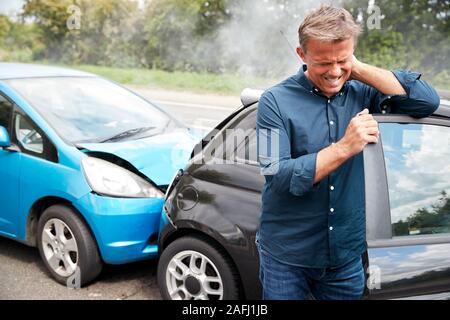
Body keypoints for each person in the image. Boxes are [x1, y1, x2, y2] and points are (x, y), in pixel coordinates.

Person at [256, 5, 440, 300]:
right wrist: (344, 147)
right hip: (286, 256)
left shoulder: (363, 91)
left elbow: (426, 102)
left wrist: (357, 67)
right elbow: (276, 174)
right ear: (302, 55)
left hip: (345, 257)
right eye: (323, 63)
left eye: (342, 60)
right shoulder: (272, 102)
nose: (334, 72)